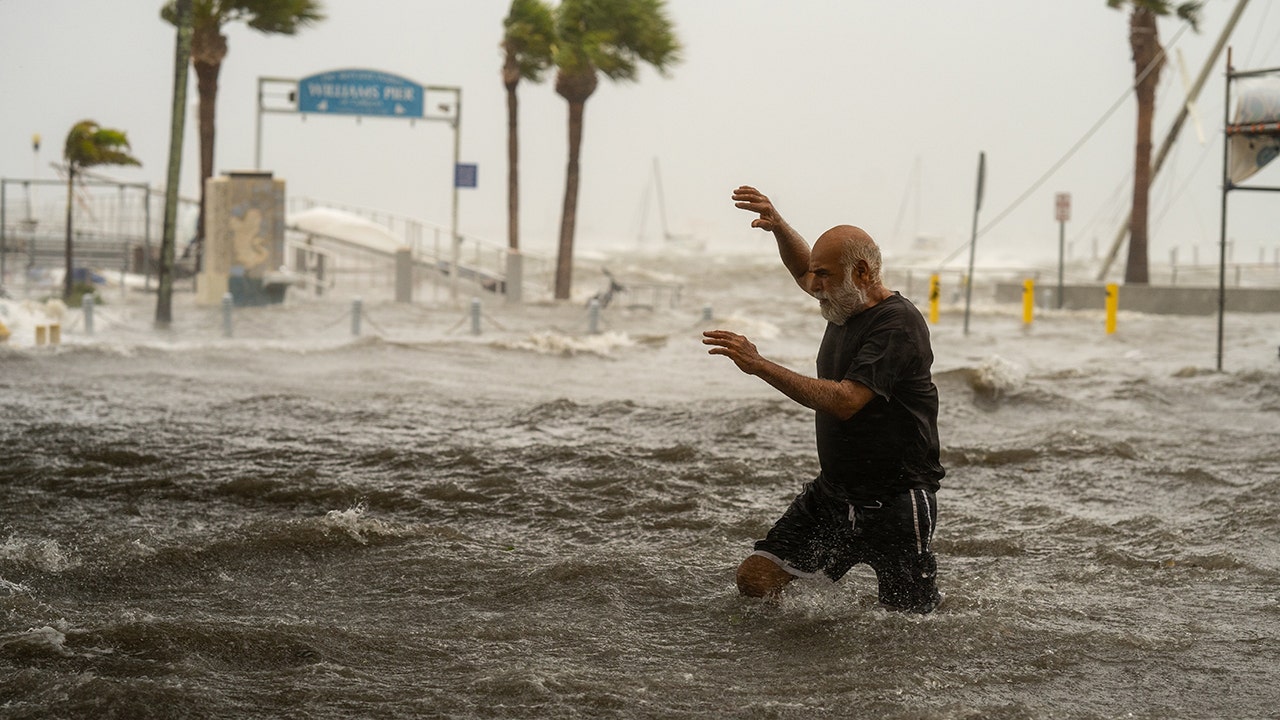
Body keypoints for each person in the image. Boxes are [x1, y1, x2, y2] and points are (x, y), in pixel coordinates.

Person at [702, 185, 945, 614]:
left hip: (896, 501)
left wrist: (760, 365)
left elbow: (846, 400)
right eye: (816, 275)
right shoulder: (841, 302)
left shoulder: (897, 324)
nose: (814, 285)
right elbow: (802, 270)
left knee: (909, 625)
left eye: (825, 276)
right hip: (833, 495)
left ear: (864, 273)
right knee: (756, 578)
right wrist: (778, 227)